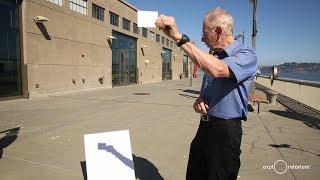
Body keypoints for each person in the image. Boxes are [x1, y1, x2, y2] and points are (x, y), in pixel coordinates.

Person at [156, 7, 258, 180]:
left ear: (218, 31)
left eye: (204, 33)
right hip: (204, 127)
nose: (202, 38)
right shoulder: (213, 57)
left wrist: (179, 38)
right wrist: (201, 99)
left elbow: (218, 70)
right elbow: (207, 90)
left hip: (225, 132)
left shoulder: (246, 54)